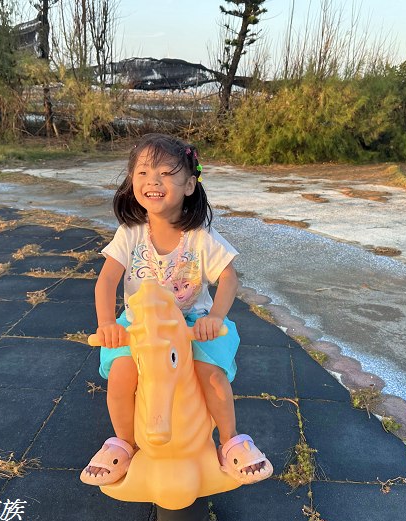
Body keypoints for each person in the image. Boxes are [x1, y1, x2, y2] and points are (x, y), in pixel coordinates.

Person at [81, 133, 273, 487]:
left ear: (189, 184)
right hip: (141, 323)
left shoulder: (199, 237)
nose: (153, 181)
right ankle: (124, 441)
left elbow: (229, 278)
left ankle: (230, 440)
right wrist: (107, 322)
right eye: (142, 172)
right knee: (122, 373)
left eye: (166, 173)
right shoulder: (131, 233)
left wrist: (214, 317)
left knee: (209, 372)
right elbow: (107, 281)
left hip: (190, 321)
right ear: (131, 181)